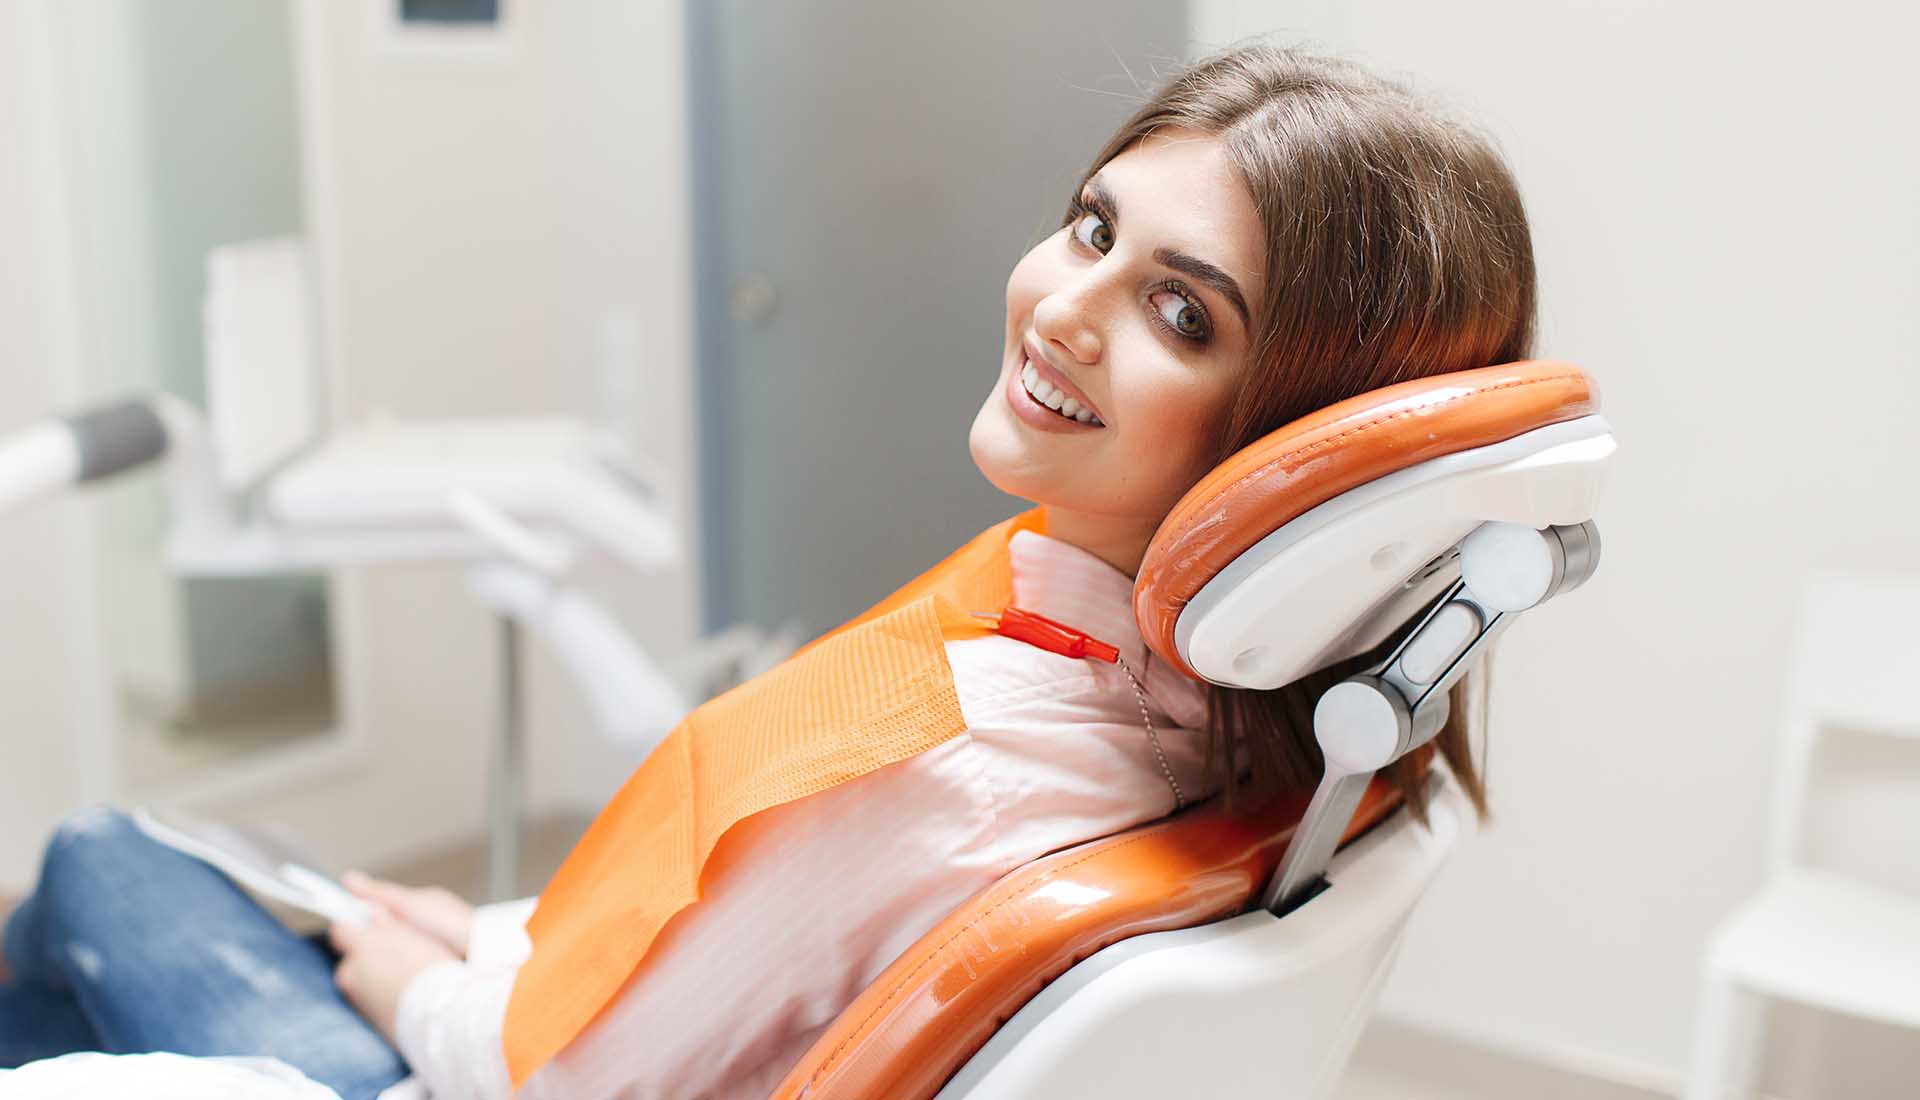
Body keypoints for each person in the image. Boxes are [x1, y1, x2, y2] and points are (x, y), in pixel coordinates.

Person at [0, 44, 1525, 1100]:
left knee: (96, 864)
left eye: (1182, 315)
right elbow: (747, 941)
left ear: (1300, 441)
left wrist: (401, 971)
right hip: (546, 1004)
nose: (1067, 307)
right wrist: (495, 935)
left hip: (469, 1070)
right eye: (1090, 228)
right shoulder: (1245, 736)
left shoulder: (958, 764)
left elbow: (549, 1079)